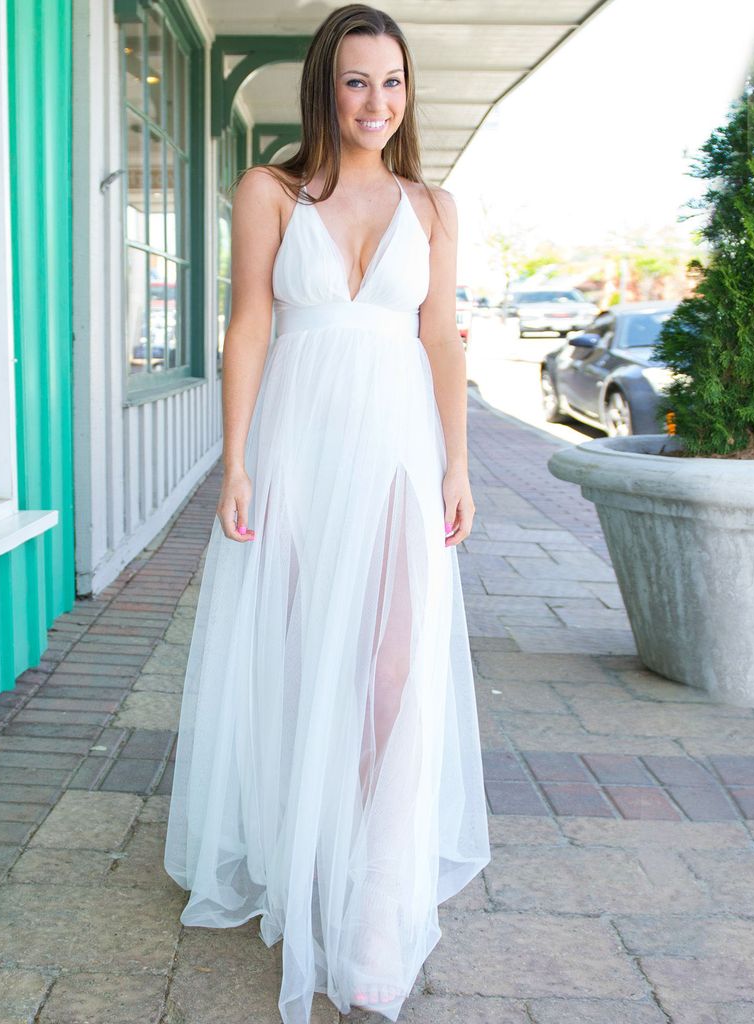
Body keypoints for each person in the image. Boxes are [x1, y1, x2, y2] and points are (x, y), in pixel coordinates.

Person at [163, 5, 491, 1021]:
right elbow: (249, 324)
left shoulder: (433, 207)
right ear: (324, 85)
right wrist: (236, 458)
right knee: (308, 660)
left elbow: (441, 339)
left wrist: (458, 465)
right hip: (299, 447)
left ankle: (378, 909)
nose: (376, 103)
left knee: (394, 671)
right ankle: (310, 853)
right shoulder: (268, 189)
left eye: (392, 82)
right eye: (357, 81)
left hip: (397, 452)